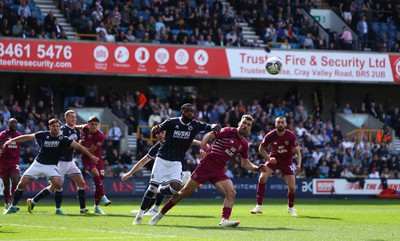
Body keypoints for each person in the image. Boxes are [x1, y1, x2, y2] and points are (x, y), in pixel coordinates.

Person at [148, 115, 267, 227]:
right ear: (239, 123)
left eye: (248, 125)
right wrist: (202, 149)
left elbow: (245, 163)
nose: (245, 126)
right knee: (184, 192)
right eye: (244, 123)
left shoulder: (244, 144)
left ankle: (224, 220)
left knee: (231, 193)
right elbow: (208, 135)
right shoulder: (228, 131)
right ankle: (160, 214)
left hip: (218, 171)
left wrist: (256, 168)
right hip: (206, 166)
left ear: (250, 128)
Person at [132, 103, 220, 225]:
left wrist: (215, 126)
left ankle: (158, 191)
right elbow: (156, 130)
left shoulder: (195, 124)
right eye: (188, 111)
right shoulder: (171, 122)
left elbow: (209, 126)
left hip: (176, 162)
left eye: (192, 111)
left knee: (176, 189)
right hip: (162, 159)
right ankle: (139, 215)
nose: (190, 113)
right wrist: (155, 130)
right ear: (182, 111)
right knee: (152, 187)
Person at [3, 118, 98, 214]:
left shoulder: (63, 139)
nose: (55, 128)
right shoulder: (44, 134)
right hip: (38, 164)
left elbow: (79, 147)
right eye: (53, 126)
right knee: (21, 184)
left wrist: (91, 156)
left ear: (60, 128)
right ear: (49, 127)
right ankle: (13, 206)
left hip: (51, 166)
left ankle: (58, 209)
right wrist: (11, 141)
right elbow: (27, 137)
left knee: (58, 184)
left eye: (57, 126)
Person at [122, 131, 206, 216]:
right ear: (155, 136)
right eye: (158, 133)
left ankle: (151, 209)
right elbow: (143, 161)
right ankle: (148, 210)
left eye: (163, 133)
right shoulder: (157, 147)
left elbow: (191, 140)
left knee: (156, 188)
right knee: (157, 186)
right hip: (176, 174)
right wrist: (129, 173)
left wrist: (205, 145)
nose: (161, 135)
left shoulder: (175, 141)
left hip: (182, 174)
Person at [26, 110, 88, 215]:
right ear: (66, 118)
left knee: (81, 183)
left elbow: (84, 129)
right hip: (61, 162)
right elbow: (62, 143)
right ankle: (33, 201)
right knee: (54, 187)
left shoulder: (76, 130)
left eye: (75, 117)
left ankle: (82, 209)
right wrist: (76, 144)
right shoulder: (62, 130)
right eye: (71, 117)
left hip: (70, 161)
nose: (73, 119)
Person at [250, 116, 302, 217]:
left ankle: (290, 208)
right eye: (278, 122)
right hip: (274, 161)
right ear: (275, 124)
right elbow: (261, 149)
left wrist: (299, 164)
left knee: (292, 188)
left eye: (282, 122)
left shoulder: (291, 136)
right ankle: (258, 206)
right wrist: (269, 158)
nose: (280, 124)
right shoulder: (270, 135)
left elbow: (298, 152)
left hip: (287, 162)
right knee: (262, 178)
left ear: (286, 124)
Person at [76, 116, 111, 215]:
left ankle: (96, 206)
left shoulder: (100, 135)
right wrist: (74, 127)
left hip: (97, 158)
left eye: (96, 124)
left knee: (100, 178)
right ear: (88, 124)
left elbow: (91, 150)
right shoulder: (85, 128)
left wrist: (80, 146)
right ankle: (103, 196)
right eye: (92, 124)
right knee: (95, 174)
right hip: (87, 158)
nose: (94, 126)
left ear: (98, 125)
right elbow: (78, 127)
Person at [0, 118, 21, 211]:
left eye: (15, 123)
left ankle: (13, 204)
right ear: (8, 124)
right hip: (3, 162)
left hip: (14, 162)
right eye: (12, 123)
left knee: (15, 180)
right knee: (6, 185)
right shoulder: (2, 135)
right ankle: (7, 203)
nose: (14, 125)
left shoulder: (19, 135)